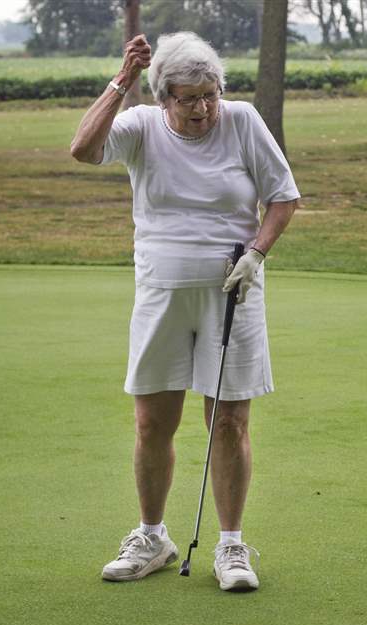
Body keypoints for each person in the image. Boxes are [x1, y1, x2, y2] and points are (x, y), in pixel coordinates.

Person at [70, 32, 300, 590]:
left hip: (232, 291)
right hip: (160, 292)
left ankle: (232, 547)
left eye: (210, 94)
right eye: (188, 98)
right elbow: (83, 149)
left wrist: (256, 253)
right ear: (163, 97)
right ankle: (152, 537)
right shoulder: (141, 125)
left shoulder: (241, 120)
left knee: (228, 421)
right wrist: (122, 79)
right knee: (152, 422)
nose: (202, 109)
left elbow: (284, 196)